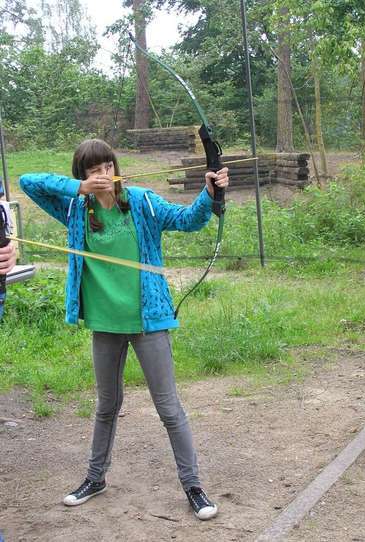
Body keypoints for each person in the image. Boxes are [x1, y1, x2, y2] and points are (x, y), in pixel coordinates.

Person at [20, 138, 229, 521]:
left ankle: (193, 487)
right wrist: (79, 189)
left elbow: (189, 220)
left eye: (107, 167)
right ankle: (95, 478)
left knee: (169, 408)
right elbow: (27, 182)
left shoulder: (142, 202)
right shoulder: (75, 208)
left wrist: (210, 193)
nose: (103, 174)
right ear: (83, 176)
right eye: (94, 170)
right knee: (106, 406)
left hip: (147, 321)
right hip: (105, 325)